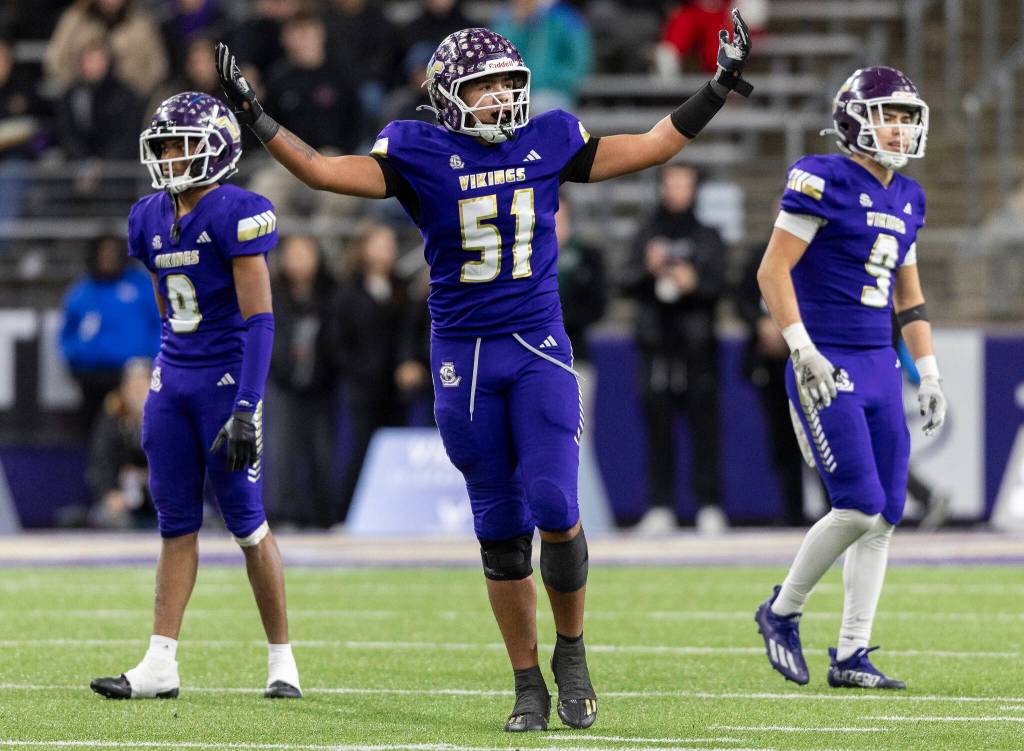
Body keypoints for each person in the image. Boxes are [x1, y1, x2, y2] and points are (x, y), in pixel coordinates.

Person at [215, 15, 753, 730]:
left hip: (535, 348)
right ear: (446, 96)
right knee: (499, 532)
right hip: (462, 360)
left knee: (555, 502)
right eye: (485, 85)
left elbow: (653, 146)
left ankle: (571, 650)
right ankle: (527, 681)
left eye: (508, 83)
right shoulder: (417, 149)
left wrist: (715, 87)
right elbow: (320, 169)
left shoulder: (550, 138)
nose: (501, 96)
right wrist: (255, 113)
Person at [90, 92, 301, 701]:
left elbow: (261, 319)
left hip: (225, 381)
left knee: (246, 522)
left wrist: (245, 405)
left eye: (181, 144)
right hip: (173, 379)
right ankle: (160, 664)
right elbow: (165, 308)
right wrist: (164, 371)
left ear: (216, 149)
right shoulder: (148, 216)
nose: (170, 157)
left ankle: (281, 661)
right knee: (174, 522)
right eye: (164, 146)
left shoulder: (237, 211)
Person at [754, 67, 946, 690]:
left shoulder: (909, 197)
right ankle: (782, 611)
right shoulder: (825, 178)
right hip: (826, 360)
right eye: (888, 113)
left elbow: (908, 301)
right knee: (859, 505)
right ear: (854, 119)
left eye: (907, 116)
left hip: (880, 364)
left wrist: (932, 372)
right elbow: (772, 272)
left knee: (886, 514)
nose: (901, 127)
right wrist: (801, 347)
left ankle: (851, 654)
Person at [622, 163, 727, 534]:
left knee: (704, 428)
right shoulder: (647, 232)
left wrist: (693, 282)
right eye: (672, 182)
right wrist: (650, 270)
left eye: (685, 182)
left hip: (697, 347)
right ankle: (659, 506)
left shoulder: (707, 235)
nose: (678, 190)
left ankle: (709, 506)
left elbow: (719, 284)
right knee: (658, 429)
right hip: (656, 346)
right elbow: (625, 281)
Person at [332, 222, 413, 524]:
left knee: (395, 452)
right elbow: (338, 341)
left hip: (396, 389)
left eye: (389, 244)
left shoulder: (402, 287)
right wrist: (358, 370)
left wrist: (409, 365)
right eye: (379, 244)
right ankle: (347, 514)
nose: (385, 251)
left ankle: (394, 514)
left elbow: (409, 333)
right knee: (359, 451)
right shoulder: (348, 290)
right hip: (361, 388)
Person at [735, 225, 808, 527]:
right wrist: (762, 324)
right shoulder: (760, 254)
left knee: (822, 437)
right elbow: (744, 294)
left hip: (809, 355)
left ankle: (836, 509)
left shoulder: (816, 250)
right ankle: (792, 510)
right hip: (771, 359)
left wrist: (793, 331)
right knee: (782, 438)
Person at [267, 233, 338, 529]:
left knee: (323, 452)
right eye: (293, 254)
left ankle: (323, 513)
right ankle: (281, 511)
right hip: (282, 381)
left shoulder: (332, 293)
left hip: (323, 384)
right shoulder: (273, 293)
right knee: (280, 450)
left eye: (305, 254)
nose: (299, 262)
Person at [60, 233, 161, 434]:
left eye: (113, 253)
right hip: (91, 376)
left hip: (133, 375)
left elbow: (158, 324)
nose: (108, 258)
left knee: (136, 430)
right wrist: (76, 357)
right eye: (103, 253)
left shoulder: (140, 287)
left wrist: (150, 360)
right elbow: (67, 333)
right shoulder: (81, 292)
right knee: (91, 430)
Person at [86, 358, 155, 529]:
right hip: (122, 498)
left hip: (160, 498)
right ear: (124, 390)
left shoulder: (168, 419)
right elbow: (100, 460)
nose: (138, 392)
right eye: (132, 386)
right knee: (109, 517)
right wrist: (109, 493)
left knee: (198, 516)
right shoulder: (112, 418)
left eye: (142, 385)